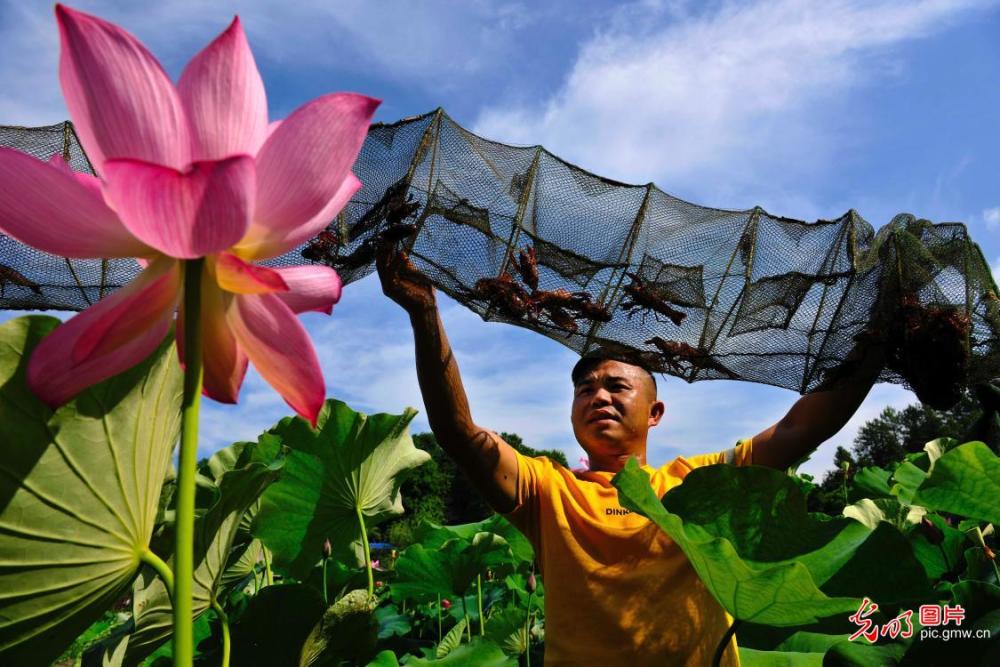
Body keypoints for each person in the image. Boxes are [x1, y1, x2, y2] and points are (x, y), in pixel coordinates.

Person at [376, 245, 883, 666]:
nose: (598, 396)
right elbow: (459, 434)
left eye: (617, 386)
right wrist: (425, 313)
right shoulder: (548, 490)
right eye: (585, 389)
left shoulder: (699, 484)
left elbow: (800, 428)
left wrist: (877, 342)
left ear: (655, 412)